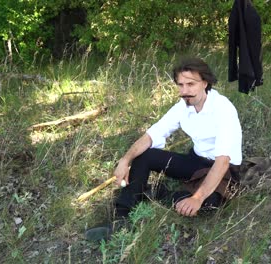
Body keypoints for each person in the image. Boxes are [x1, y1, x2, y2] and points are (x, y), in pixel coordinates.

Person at [85, 58, 242, 241]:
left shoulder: (223, 109)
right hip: (196, 162)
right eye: (180, 85)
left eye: (191, 84)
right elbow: (152, 135)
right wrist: (125, 160)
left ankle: (157, 192)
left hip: (225, 169)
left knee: (206, 206)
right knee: (145, 155)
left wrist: (197, 198)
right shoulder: (182, 107)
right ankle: (122, 217)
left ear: (205, 83)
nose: (184, 91)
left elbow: (222, 161)